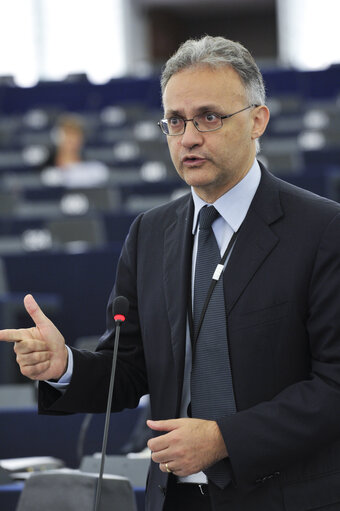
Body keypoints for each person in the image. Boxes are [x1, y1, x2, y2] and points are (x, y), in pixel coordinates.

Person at [1, 35, 340, 511]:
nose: (189, 138)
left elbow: (334, 386)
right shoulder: (150, 233)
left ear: (257, 120)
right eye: (175, 122)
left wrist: (225, 438)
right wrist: (65, 367)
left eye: (210, 117)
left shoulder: (324, 229)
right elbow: (133, 367)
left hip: (286, 497)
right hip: (175, 498)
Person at [40, 113, 109, 188]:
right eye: (67, 134)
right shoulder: (45, 171)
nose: (71, 140)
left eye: (75, 136)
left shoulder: (94, 170)